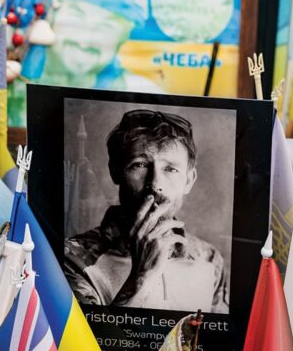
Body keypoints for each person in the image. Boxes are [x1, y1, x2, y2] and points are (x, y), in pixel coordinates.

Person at [63, 109, 229, 313]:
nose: (155, 184)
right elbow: (88, 335)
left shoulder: (209, 258)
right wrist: (142, 275)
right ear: (115, 172)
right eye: (139, 165)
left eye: (170, 169)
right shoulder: (72, 259)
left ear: (189, 180)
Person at [39, 0, 163, 92]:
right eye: (77, 16)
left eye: (106, 26)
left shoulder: (146, 96)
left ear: (124, 37)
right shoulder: (18, 81)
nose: (86, 40)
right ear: (49, 16)